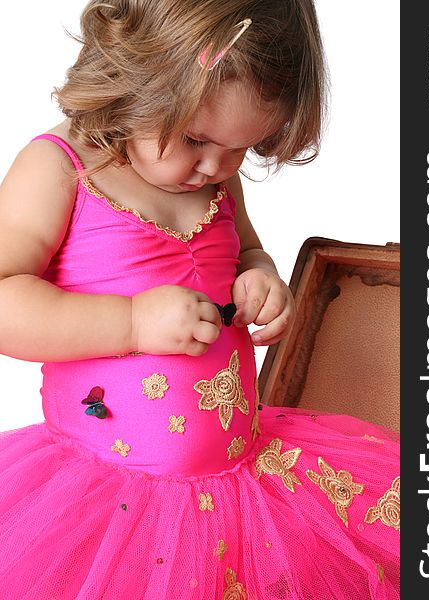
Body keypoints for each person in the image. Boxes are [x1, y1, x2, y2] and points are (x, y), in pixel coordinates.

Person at [0, 1, 399, 598]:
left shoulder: (214, 173)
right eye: (195, 139)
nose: (215, 166)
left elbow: (246, 251)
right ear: (132, 84)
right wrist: (131, 323)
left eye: (241, 149)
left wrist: (260, 278)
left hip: (243, 477)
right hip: (109, 494)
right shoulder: (60, 169)